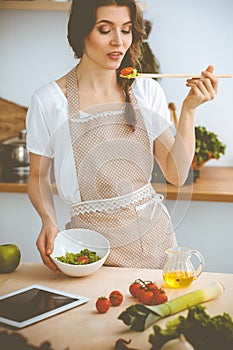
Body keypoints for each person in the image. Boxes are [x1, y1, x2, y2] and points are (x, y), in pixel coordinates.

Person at [26, 0, 218, 275]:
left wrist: (189, 110)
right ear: (81, 33)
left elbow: (176, 174)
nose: (118, 41)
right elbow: (38, 176)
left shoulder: (146, 91)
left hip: (157, 245)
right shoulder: (49, 100)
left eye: (126, 30)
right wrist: (48, 220)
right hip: (90, 251)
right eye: (105, 30)